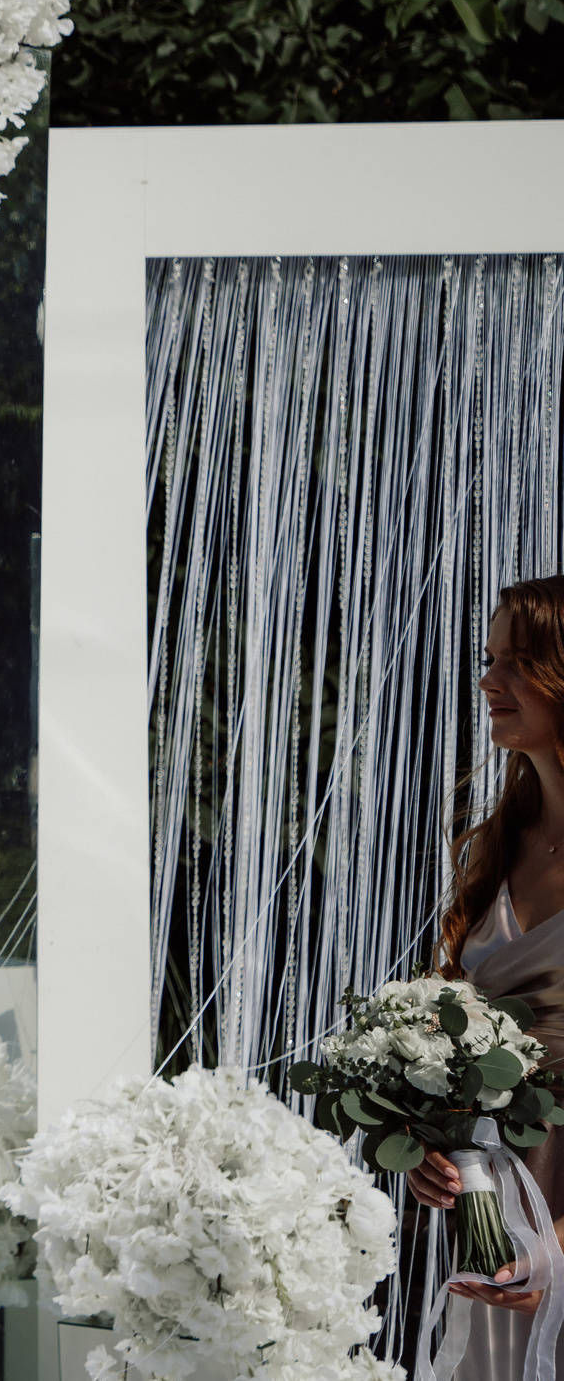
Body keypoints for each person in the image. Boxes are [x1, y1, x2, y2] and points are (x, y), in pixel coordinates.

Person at [411, 574, 564, 1377]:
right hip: (495, 1210)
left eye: (516, 661)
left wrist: (560, 1245)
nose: (487, 682)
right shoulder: (498, 843)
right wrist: (427, 1153)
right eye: (488, 658)